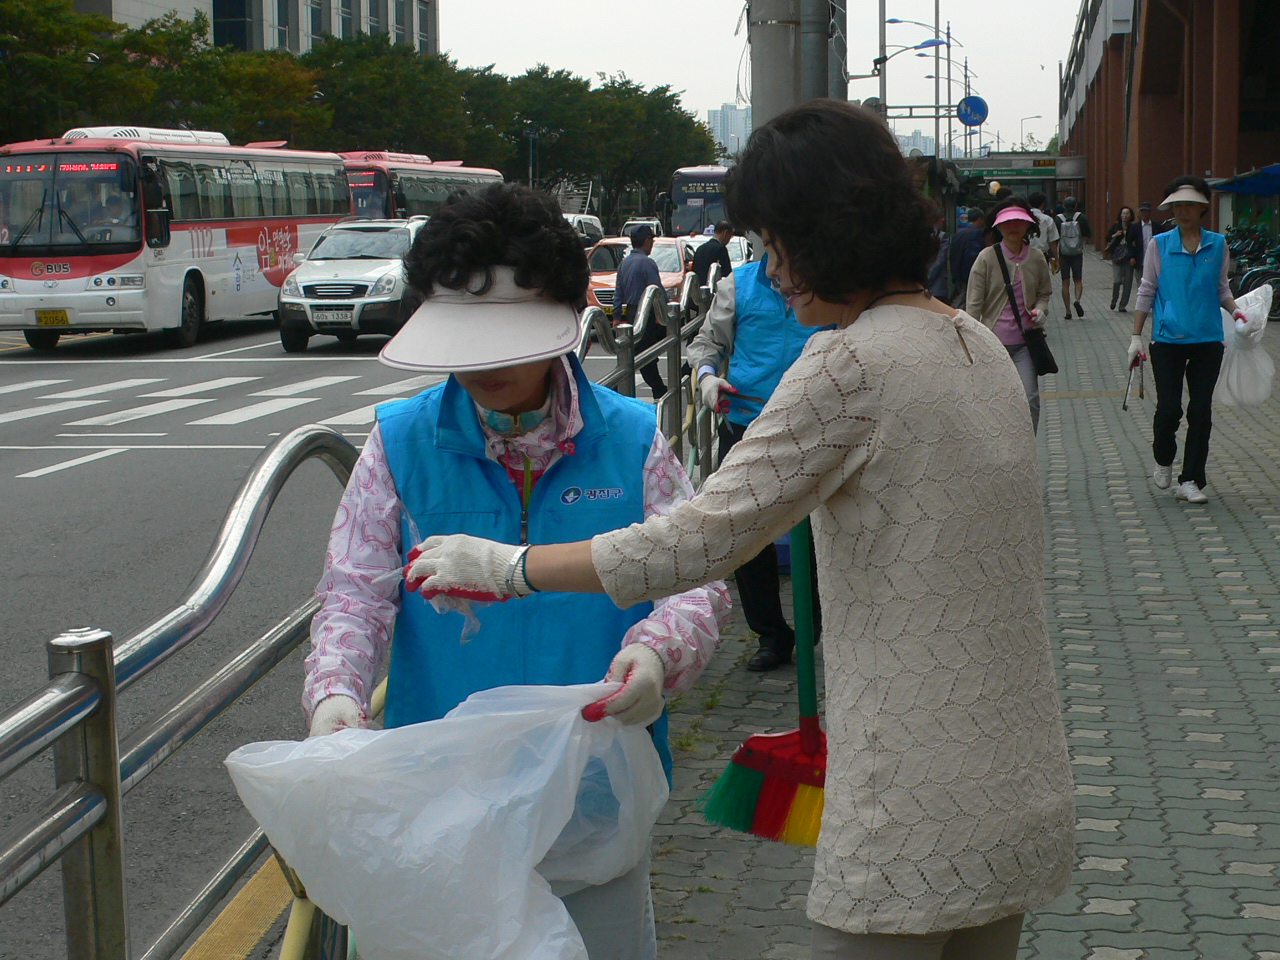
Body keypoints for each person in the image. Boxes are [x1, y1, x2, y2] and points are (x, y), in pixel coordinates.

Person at [406, 100, 1074, 960]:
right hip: (1019, 778)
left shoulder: (849, 363)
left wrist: (508, 566)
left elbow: (698, 541)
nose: (772, 269)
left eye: (775, 243)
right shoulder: (975, 344)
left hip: (915, 796)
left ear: (824, 235)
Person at [303, 183, 729, 960]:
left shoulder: (632, 441)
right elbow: (353, 597)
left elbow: (696, 578)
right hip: (440, 798)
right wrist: (335, 698)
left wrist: (658, 655)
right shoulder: (398, 444)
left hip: (593, 792)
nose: (484, 367)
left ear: (564, 319)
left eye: (506, 338)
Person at [687, 247, 824, 671]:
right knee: (742, 535)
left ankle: (818, 623)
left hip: (815, 425)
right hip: (747, 422)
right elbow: (707, 344)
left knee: (825, 530)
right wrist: (709, 378)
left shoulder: (830, 281)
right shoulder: (738, 285)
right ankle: (770, 633)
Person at [1130, 176, 1246, 505]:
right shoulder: (1160, 245)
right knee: (1169, 410)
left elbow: (1221, 287)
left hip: (1208, 339)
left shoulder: (1217, 244)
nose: (1182, 210)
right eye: (1177, 205)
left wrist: (1237, 313)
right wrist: (1136, 336)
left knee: (1200, 411)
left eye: (1189, 205)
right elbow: (1147, 289)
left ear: (1202, 208)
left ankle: (1191, 479)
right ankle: (1164, 457)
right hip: (1167, 340)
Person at [966, 197, 1054, 432]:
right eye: (1007, 222)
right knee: (993, 401)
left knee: (1029, 398)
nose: (1013, 227)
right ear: (997, 225)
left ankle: (1028, 448)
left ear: (1028, 225)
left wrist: (1041, 310)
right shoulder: (986, 257)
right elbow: (973, 304)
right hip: (992, 343)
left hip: (1026, 343)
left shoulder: (1036, 258)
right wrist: (969, 342)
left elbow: (1045, 293)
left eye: (1019, 221)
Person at [614, 224, 668, 399]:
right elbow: (656, 291)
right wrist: (665, 312)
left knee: (632, 352)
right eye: (651, 240)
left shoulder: (624, 263)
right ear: (646, 241)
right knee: (646, 355)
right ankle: (658, 388)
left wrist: (616, 317)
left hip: (630, 312)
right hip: (646, 313)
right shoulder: (647, 263)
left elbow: (618, 292)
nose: (652, 243)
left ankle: (618, 388)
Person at [1055, 196, 1092, 319]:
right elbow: (1088, 234)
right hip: (1077, 253)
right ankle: (1077, 300)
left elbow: (1054, 238)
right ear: (1075, 205)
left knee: (1065, 282)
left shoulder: (1058, 219)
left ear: (1064, 206)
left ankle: (1068, 311)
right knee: (1078, 280)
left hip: (1063, 253)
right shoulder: (1081, 217)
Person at [947, 207, 986, 306]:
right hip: (968, 273)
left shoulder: (958, 234)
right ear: (980, 218)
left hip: (958, 271)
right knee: (966, 299)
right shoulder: (976, 233)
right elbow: (973, 256)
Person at [1129, 200, 1170, 287]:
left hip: (1154, 257)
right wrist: (1132, 256)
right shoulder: (1135, 227)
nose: (1143, 213)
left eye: (1145, 211)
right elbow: (1130, 243)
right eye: (1142, 211)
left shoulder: (1157, 226)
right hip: (1140, 258)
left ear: (1149, 212)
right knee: (1140, 282)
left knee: (1154, 280)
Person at [1107, 205, 1137, 312]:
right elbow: (1107, 237)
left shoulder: (1133, 227)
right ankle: (1114, 300)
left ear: (1130, 216)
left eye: (1127, 214)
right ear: (1120, 215)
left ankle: (1122, 305)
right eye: (1123, 213)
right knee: (1117, 280)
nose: (1125, 216)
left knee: (1128, 282)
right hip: (1117, 256)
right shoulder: (1116, 226)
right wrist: (1115, 235)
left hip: (1128, 256)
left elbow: (1135, 243)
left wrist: (1133, 256)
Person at [691, 219, 734, 285]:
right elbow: (727, 275)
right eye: (730, 236)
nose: (729, 240)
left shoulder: (700, 249)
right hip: (714, 289)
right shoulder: (721, 249)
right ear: (725, 233)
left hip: (699, 289)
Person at [1028, 191, 1060, 273]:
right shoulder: (1047, 219)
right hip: (1042, 255)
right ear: (1043, 204)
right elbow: (1052, 241)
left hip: (1025, 255)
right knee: (1042, 281)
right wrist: (1056, 258)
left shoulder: (1023, 218)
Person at [926, 213, 950, 301]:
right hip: (937, 287)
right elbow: (940, 260)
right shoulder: (942, 236)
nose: (943, 220)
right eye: (941, 217)